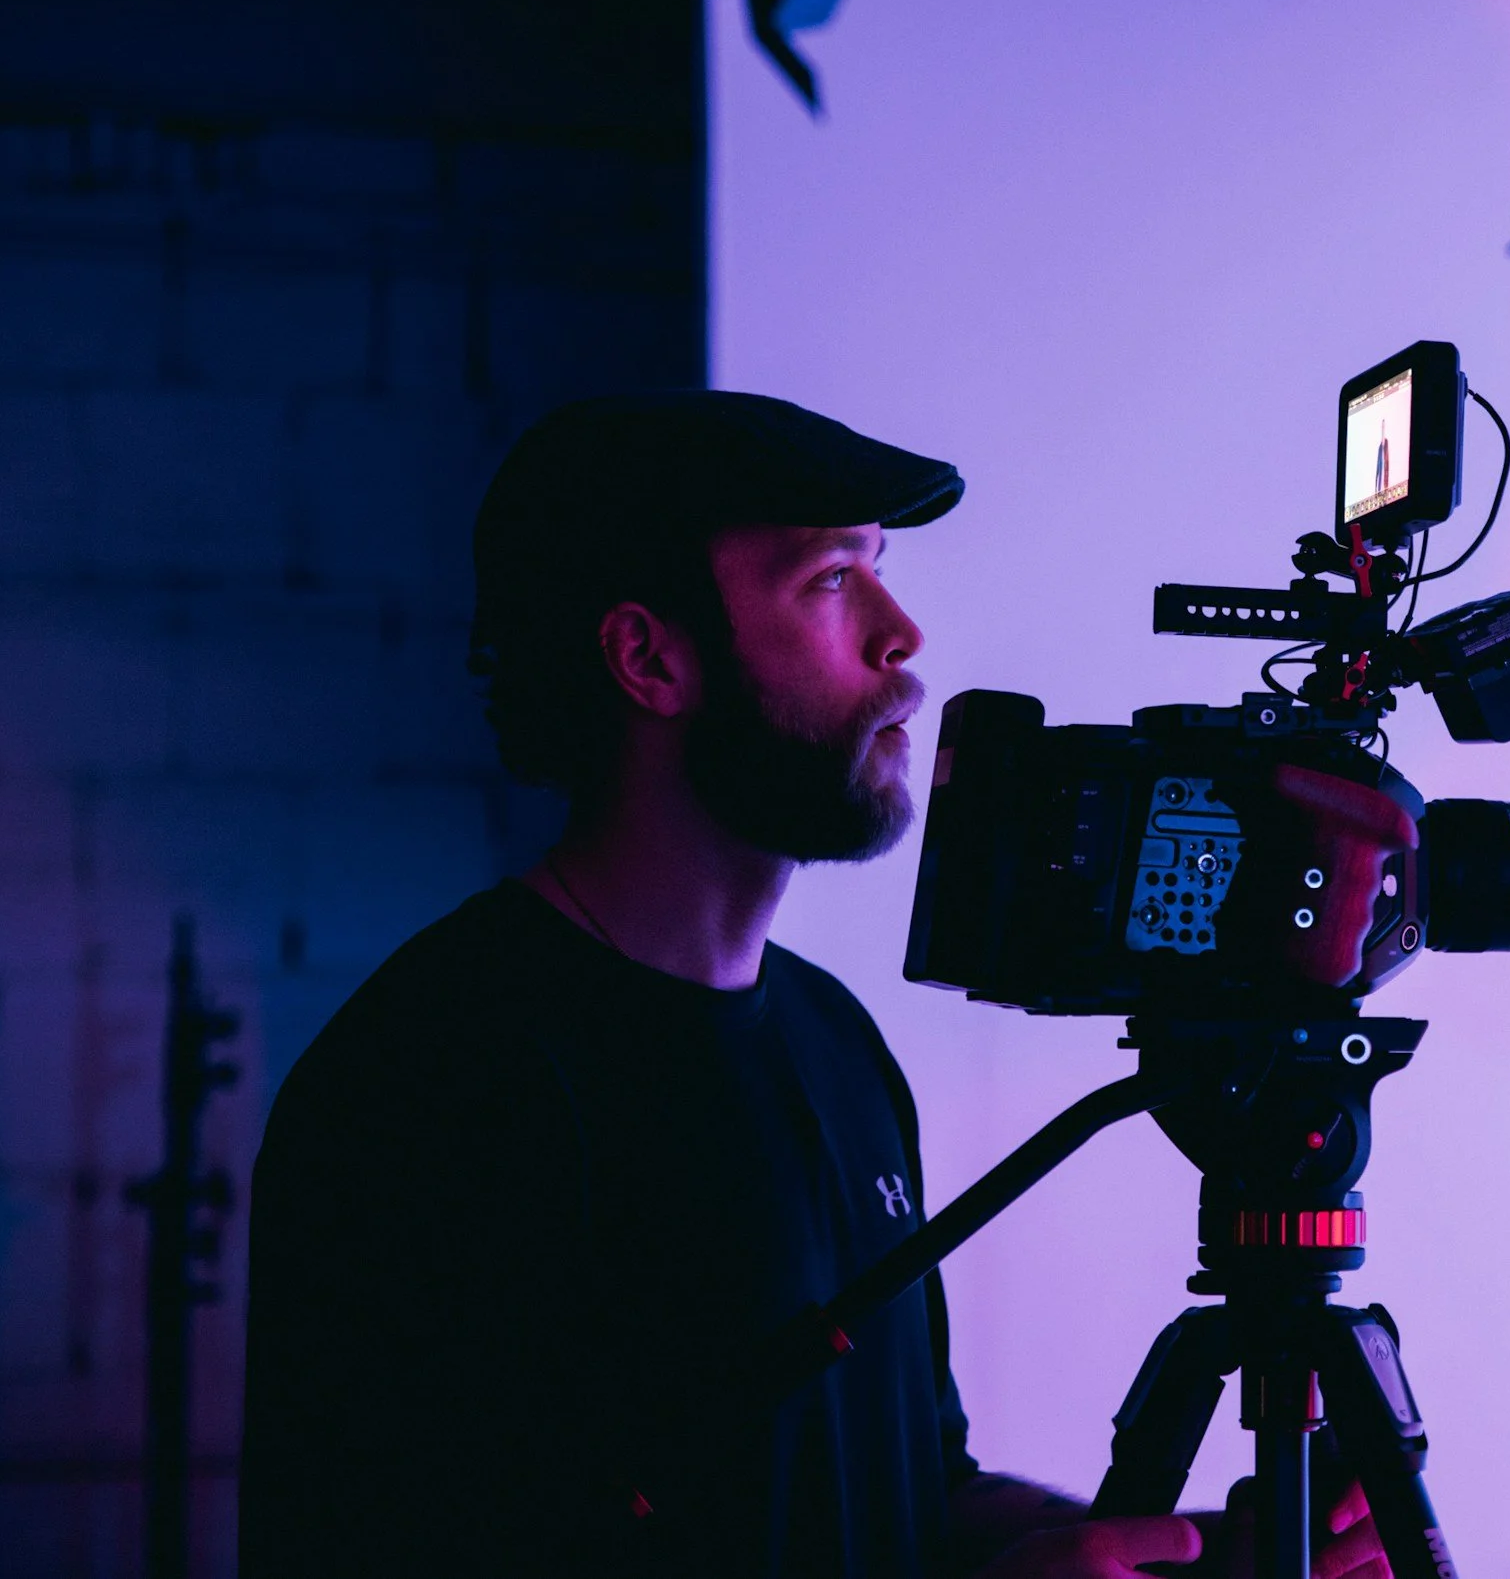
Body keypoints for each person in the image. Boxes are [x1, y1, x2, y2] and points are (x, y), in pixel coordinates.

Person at [239, 392, 1394, 1579]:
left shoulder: (834, 1044)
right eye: (830, 580)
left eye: (878, 571)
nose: (901, 635)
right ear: (650, 656)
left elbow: (908, 1491)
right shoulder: (432, 1083)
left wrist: (1192, 1554)